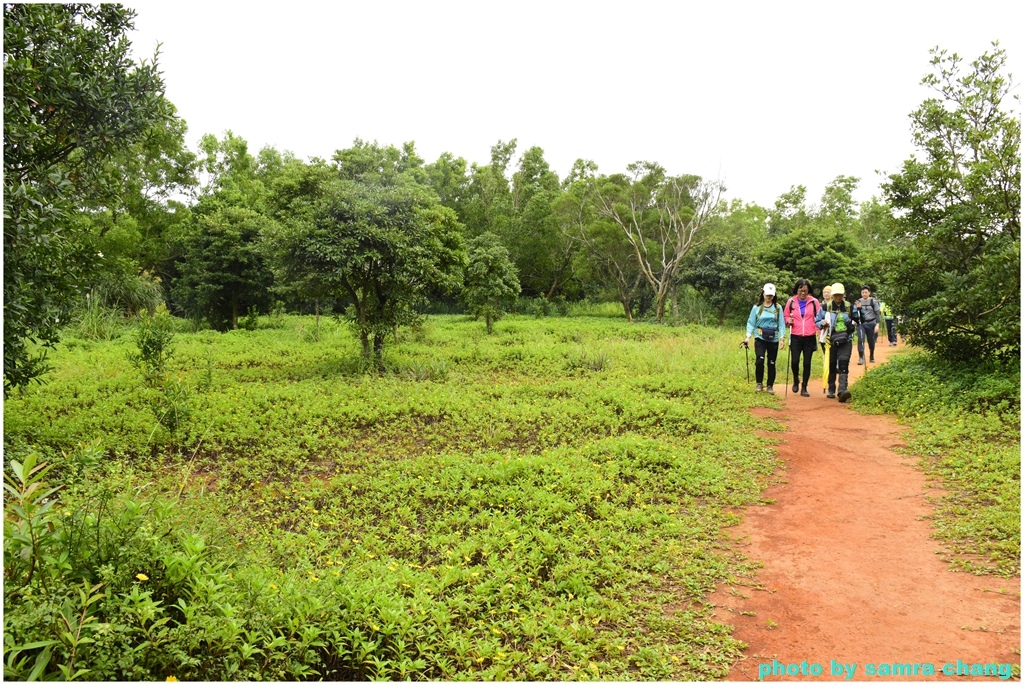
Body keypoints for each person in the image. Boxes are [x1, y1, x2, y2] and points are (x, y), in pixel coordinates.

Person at [815, 282, 858, 402]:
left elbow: (857, 320)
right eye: (836, 295)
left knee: (844, 363)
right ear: (833, 295)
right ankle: (831, 389)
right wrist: (821, 323)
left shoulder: (850, 306)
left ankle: (842, 390)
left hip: (846, 340)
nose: (838, 298)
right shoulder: (825, 307)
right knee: (832, 364)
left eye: (840, 295)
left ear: (843, 295)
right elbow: (817, 320)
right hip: (830, 341)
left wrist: (853, 323)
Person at [743, 283, 787, 394]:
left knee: (772, 362)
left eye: (771, 295)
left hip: (774, 338)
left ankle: (770, 385)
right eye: (767, 294)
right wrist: (747, 337)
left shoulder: (778, 308)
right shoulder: (756, 308)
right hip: (760, 337)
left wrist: (782, 338)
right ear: (763, 294)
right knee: (759, 360)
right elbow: (751, 323)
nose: (769, 297)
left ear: (774, 295)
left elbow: (781, 323)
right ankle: (759, 383)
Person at [783, 278, 821, 397]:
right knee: (794, 361)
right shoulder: (791, 302)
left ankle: (804, 387)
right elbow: (785, 315)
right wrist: (787, 320)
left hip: (809, 336)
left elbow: (819, 318)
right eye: (800, 290)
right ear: (797, 290)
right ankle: (795, 379)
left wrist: (820, 334)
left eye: (805, 290)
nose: (803, 292)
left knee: (807, 363)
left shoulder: (814, 302)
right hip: (795, 336)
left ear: (808, 290)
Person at [854, 286, 882, 364]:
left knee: (871, 341)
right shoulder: (858, 301)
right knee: (861, 339)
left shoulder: (873, 302)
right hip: (861, 324)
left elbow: (877, 314)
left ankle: (871, 355)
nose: (864, 294)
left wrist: (877, 325)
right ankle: (861, 357)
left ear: (869, 293)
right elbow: (855, 313)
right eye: (863, 292)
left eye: (866, 292)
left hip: (871, 323)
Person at [818, 285, 832, 354]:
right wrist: (821, 322)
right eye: (824, 292)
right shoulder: (821, 306)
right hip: (823, 331)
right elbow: (817, 320)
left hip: (833, 331)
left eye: (828, 292)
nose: (826, 294)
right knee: (825, 351)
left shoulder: (834, 304)